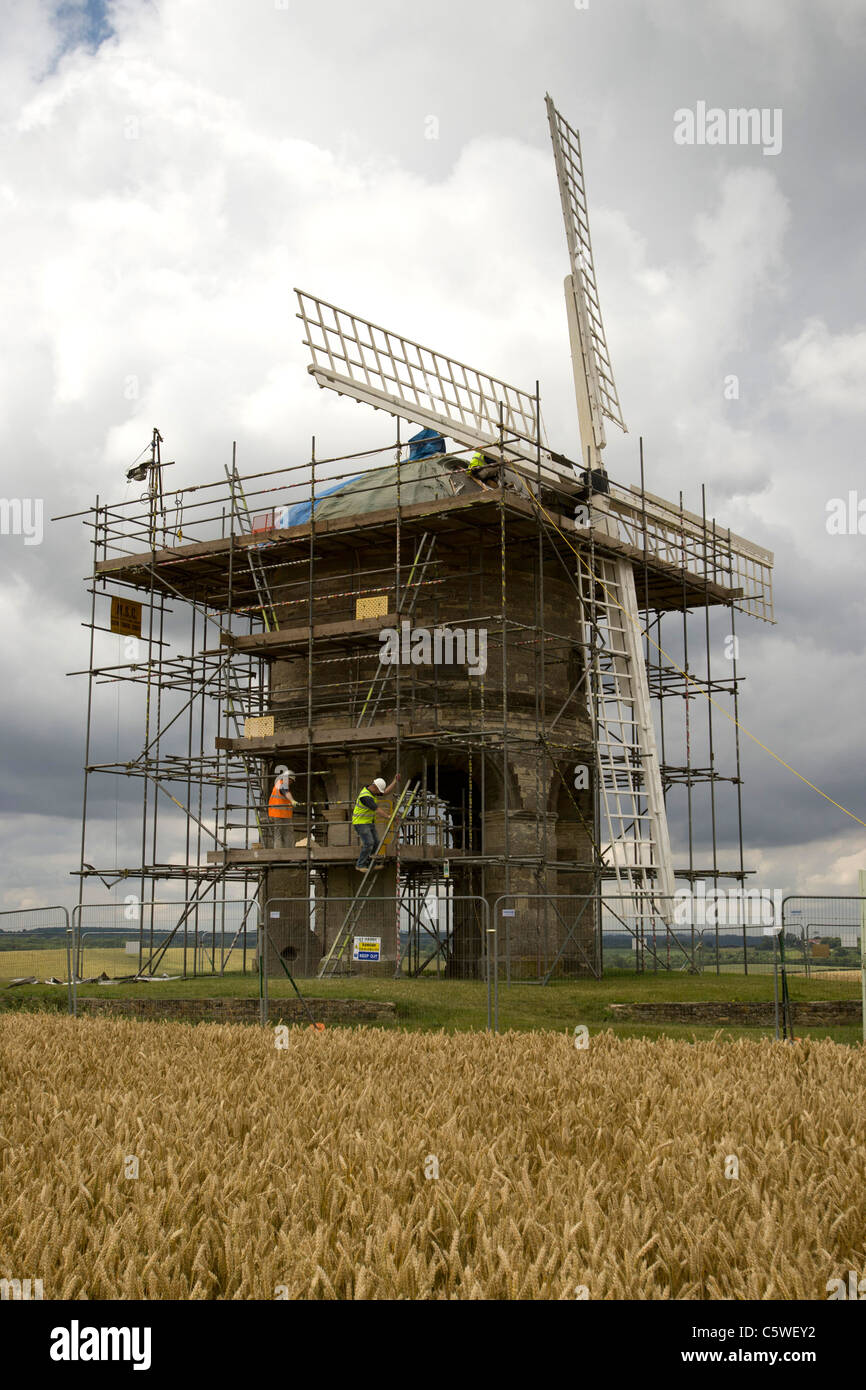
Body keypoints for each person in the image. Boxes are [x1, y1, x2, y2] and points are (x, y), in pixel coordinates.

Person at [352, 773, 401, 871]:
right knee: (369, 843)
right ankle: (360, 865)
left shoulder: (372, 791)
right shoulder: (365, 797)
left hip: (369, 822)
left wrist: (394, 782)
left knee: (377, 843)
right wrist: (388, 816)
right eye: (379, 790)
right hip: (360, 823)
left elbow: (385, 792)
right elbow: (377, 809)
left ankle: (371, 864)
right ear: (374, 787)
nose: (380, 793)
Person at [267, 770, 296, 849]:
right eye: (290, 780)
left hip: (281, 814)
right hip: (279, 814)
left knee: (282, 834)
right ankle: (283, 853)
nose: (290, 782)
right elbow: (286, 793)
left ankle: (282, 852)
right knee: (284, 834)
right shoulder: (282, 784)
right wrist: (292, 800)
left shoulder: (278, 784)